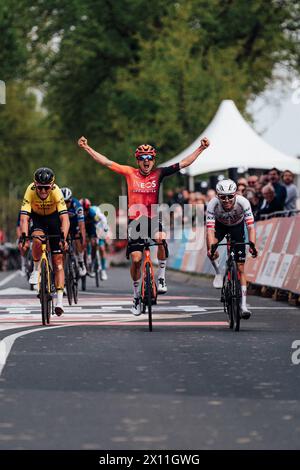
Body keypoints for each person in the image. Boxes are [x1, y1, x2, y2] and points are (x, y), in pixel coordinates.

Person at [78, 136, 210, 315]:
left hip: (153, 220)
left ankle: (161, 277)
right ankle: (135, 296)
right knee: (136, 259)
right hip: (135, 222)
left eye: (149, 158)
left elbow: (184, 163)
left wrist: (201, 149)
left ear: (153, 160)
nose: (146, 161)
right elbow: (106, 162)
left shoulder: (159, 173)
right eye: (142, 158)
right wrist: (87, 148)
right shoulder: (129, 172)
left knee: (161, 239)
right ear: (137, 160)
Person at [18, 167, 70, 315]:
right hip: (38, 218)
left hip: (54, 219)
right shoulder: (30, 190)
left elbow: (64, 218)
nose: (42, 191)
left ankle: (59, 301)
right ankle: (36, 269)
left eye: (46, 188)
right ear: (35, 185)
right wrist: (24, 235)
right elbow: (24, 218)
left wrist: (63, 238)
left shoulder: (56, 192)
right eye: (39, 188)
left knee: (58, 261)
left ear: (52, 186)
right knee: (37, 239)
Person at [206, 179, 257, 319]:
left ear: (235, 194)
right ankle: (218, 273)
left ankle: (244, 306)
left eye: (230, 196)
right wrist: (212, 248)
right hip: (220, 226)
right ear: (217, 196)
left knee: (240, 267)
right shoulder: (212, 204)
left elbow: (251, 227)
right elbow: (210, 230)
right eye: (223, 196)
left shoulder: (243, 202)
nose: (227, 200)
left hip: (237, 226)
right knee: (210, 251)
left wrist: (252, 245)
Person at [61, 187, 87, 277]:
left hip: (74, 224)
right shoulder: (57, 205)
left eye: (67, 202)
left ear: (71, 200)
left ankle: (80, 261)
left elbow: (82, 224)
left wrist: (83, 238)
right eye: (63, 202)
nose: (65, 204)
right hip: (63, 225)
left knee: (78, 238)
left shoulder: (77, 205)